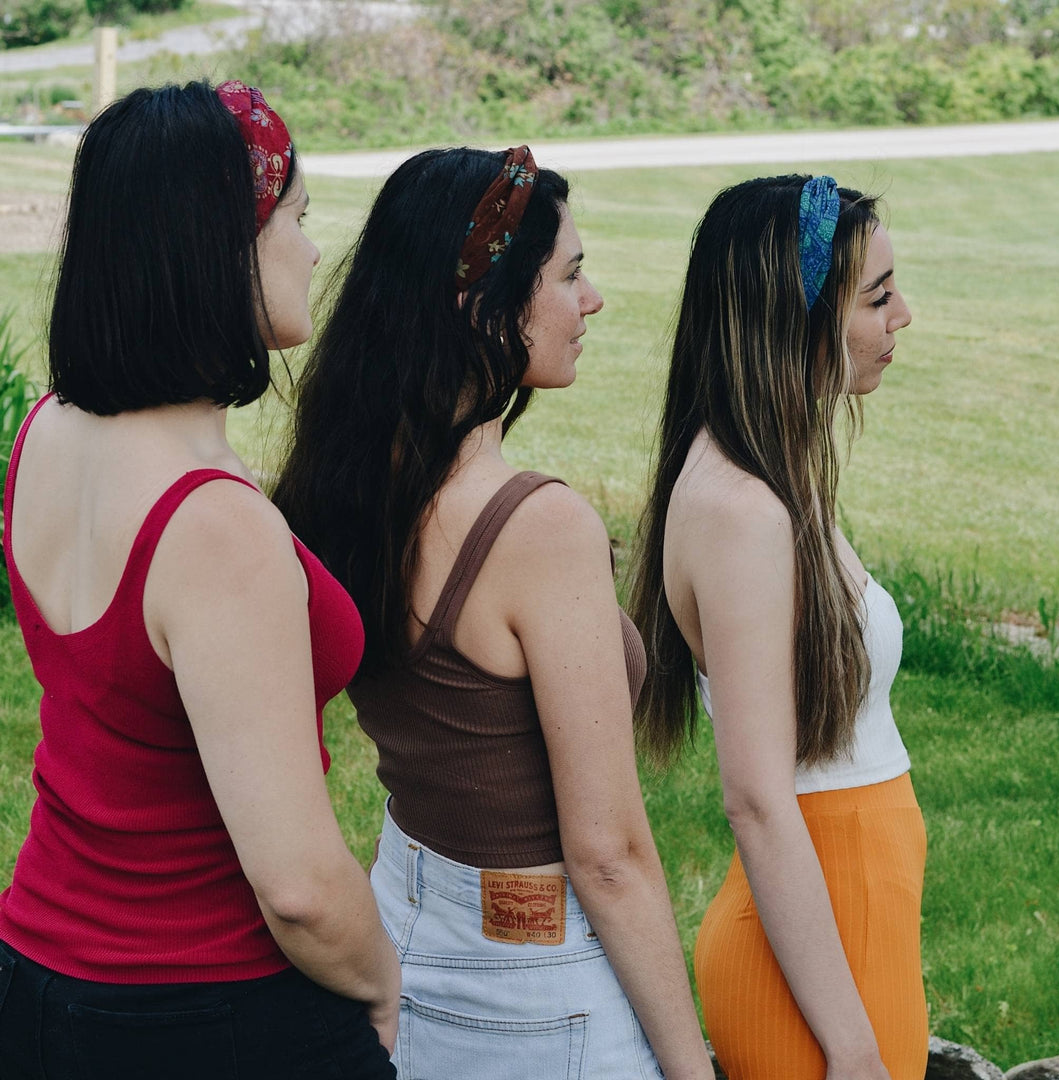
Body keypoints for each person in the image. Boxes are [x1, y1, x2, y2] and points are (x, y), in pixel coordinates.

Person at [273, 146, 714, 1080]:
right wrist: (689, 1067)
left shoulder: (347, 477)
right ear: (486, 306)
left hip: (401, 919)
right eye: (571, 276)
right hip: (532, 983)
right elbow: (610, 854)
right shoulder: (537, 526)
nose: (591, 301)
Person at [0, 80, 399, 1079]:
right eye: (296, 217)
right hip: (205, 1010)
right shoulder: (216, 530)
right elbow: (302, 887)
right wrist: (384, 981)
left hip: (36, 973)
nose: (312, 248)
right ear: (221, 246)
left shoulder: (46, 431)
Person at [627, 175, 926, 1080]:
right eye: (876, 296)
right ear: (792, 317)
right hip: (818, 980)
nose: (902, 316)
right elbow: (757, 798)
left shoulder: (777, 475)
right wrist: (850, 1046)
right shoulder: (741, 510)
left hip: (856, 934)